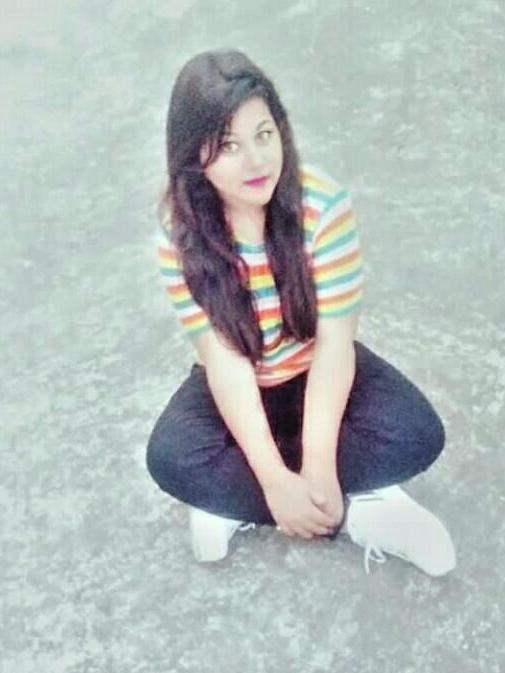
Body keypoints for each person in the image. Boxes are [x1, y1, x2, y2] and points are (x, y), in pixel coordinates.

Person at [145, 48, 456, 576]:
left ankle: (244, 501)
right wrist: (273, 482)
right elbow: (224, 363)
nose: (256, 161)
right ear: (193, 154)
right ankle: (359, 507)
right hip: (241, 381)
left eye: (264, 135)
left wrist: (319, 465)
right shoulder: (180, 234)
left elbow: (335, 344)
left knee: (416, 431)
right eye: (229, 146)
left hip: (316, 366)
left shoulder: (322, 206)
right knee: (172, 456)